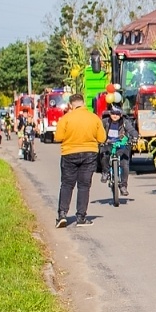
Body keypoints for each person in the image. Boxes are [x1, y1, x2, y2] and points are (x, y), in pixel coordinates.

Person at [53, 92, 106, 227]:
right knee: (84, 185)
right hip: (89, 153)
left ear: (71, 105)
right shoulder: (94, 118)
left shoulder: (66, 118)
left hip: (69, 153)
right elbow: (102, 138)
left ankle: (62, 214)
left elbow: (58, 138)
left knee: (67, 184)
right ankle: (81, 217)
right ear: (84, 103)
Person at [99, 103, 137, 196]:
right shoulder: (105, 121)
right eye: (113, 113)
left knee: (125, 164)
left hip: (122, 145)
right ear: (110, 113)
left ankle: (123, 186)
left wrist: (135, 137)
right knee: (104, 156)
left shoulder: (125, 122)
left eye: (117, 114)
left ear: (121, 115)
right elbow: (97, 130)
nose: (115, 116)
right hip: (108, 144)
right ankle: (105, 172)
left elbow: (132, 130)